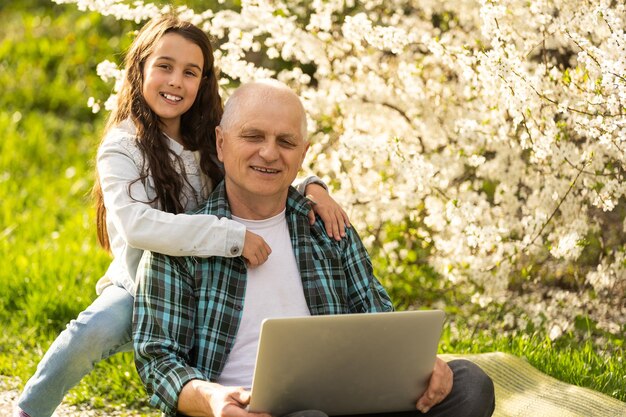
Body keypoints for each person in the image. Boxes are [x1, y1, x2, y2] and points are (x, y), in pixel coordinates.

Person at [15, 16, 349, 417]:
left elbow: (254, 169)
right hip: (140, 283)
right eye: (164, 66)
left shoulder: (208, 137)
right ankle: (28, 410)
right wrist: (230, 236)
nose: (176, 81)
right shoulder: (121, 147)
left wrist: (311, 186)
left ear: (203, 82)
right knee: (95, 330)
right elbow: (137, 225)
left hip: (203, 276)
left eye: (190, 72)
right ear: (139, 68)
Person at [133, 80, 495, 417]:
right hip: (247, 412)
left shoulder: (327, 225)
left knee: (469, 383)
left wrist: (416, 366)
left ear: (303, 154)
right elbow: (158, 360)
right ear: (221, 143)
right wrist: (212, 399)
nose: (269, 153)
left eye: (286, 142)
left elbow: (376, 317)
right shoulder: (182, 240)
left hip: (353, 401)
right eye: (253, 136)